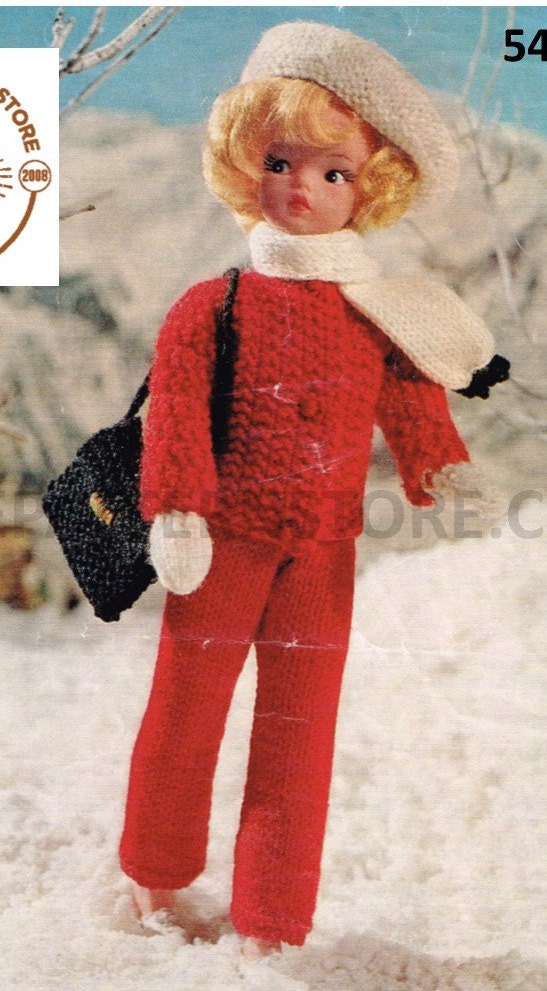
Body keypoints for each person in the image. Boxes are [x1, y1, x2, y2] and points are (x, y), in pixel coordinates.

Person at [118, 21, 508, 961]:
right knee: (186, 707)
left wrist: (441, 468)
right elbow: (175, 411)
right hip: (219, 543)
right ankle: (154, 874)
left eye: (334, 173)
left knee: (299, 733)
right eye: (279, 162)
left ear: (370, 188)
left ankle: (272, 918)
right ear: (242, 165)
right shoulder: (212, 304)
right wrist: (177, 509)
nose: (301, 188)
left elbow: (411, 406)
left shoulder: (371, 316)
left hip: (323, 557)